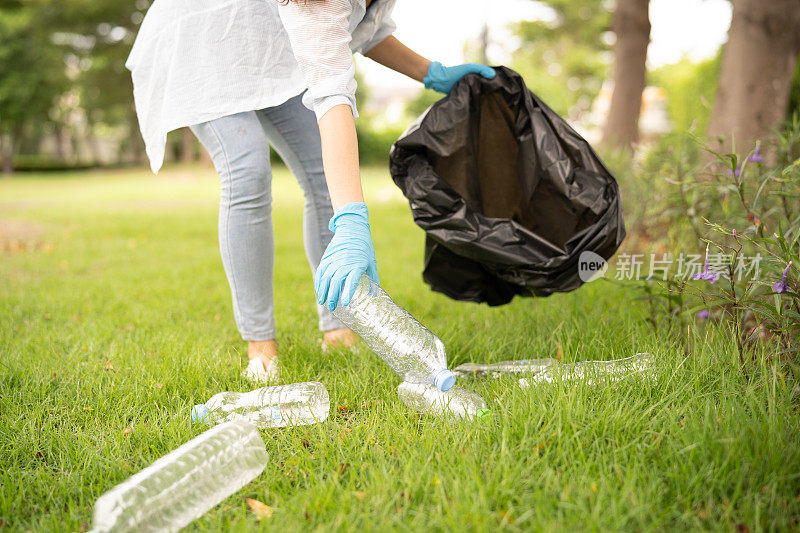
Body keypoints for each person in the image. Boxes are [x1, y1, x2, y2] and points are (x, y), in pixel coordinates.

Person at [126, 0, 495, 383]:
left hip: (276, 50)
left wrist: (431, 72)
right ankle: (261, 347)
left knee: (324, 175)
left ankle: (337, 330)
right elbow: (333, 92)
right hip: (203, 38)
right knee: (247, 173)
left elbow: (360, 26)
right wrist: (352, 219)